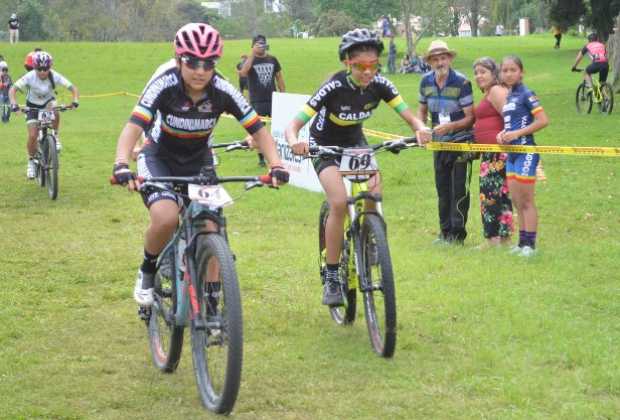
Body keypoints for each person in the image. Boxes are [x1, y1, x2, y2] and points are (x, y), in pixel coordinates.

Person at [111, 23, 289, 307]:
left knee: (211, 225)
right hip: (159, 158)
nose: (200, 70)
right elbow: (134, 126)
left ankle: (212, 300)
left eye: (208, 63)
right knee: (167, 216)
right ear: (178, 58)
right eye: (191, 62)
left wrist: (276, 165)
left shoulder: (222, 89)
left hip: (199, 160)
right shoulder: (165, 84)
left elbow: (259, 131)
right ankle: (147, 269)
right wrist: (121, 163)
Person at [285, 28, 427, 306]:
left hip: (355, 143)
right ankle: (333, 274)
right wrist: (294, 141)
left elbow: (410, 117)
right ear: (347, 63)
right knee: (338, 203)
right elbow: (294, 124)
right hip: (324, 145)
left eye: (373, 65)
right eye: (359, 66)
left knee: (374, 193)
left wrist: (421, 128)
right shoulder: (334, 86)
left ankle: (371, 240)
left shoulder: (381, 85)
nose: (367, 72)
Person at [417, 40, 475, 245]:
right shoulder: (425, 82)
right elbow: (422, 111)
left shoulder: (462, 82)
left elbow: (470, 118)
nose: (440, 62)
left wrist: (450, 127)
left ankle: (457, 235)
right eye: (435, 59)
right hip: (438, 143)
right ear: (430, 62)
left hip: (461, 142)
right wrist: (421, 129)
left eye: (443, 58)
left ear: (449, 59)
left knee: (458, 189)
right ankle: (444, 233)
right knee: (442, 189)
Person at [496, 55, 549, 257]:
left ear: (521, 72)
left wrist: (518, 134)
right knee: (517, 201)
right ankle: (521, 242)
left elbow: (543, 120)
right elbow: (511, 125)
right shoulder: (509, 96)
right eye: (505, 70)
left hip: (526, 152)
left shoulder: (527, 93)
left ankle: (530, 246)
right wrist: (502, 134)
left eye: (513, 70)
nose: (508, 74)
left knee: (526, 201)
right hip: (512, 155)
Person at [9, 51, 79, 178]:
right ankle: (31, 161)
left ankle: (55, 136)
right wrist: (14, 104)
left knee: (55, 108)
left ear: (49, 67)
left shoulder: (54, 75)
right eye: (39, 69)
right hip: (32, 106)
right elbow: (12, 89)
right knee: (32, 135)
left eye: (45, 68)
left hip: (48, 103)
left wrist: (75, 101)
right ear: (35, 68)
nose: (42, 72)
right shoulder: (30, 76)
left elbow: (73, 88)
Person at [472, 57, 513, 248]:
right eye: (476, 73)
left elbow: (510, 117)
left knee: (489, 196)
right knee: (500, 196)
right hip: (492, 153)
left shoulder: (496, 91)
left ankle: (492, 239)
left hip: (497, 154)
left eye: (483, 72)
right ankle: (503, 239)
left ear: (493, 73)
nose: (478, 76)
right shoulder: (491, 91)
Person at [238, 34, 286, 167]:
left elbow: (279, 77)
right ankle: (261, 158)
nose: (261, 46)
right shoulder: (249, 60)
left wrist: (283, 95)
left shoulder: (272, 59)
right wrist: (252, 54)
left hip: (273, 99)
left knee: (278, 128)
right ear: (253, 45)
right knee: (258, 131)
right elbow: (243, 73)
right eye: (258, 44)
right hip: (257, 101)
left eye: (263, 43)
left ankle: (280, 154)